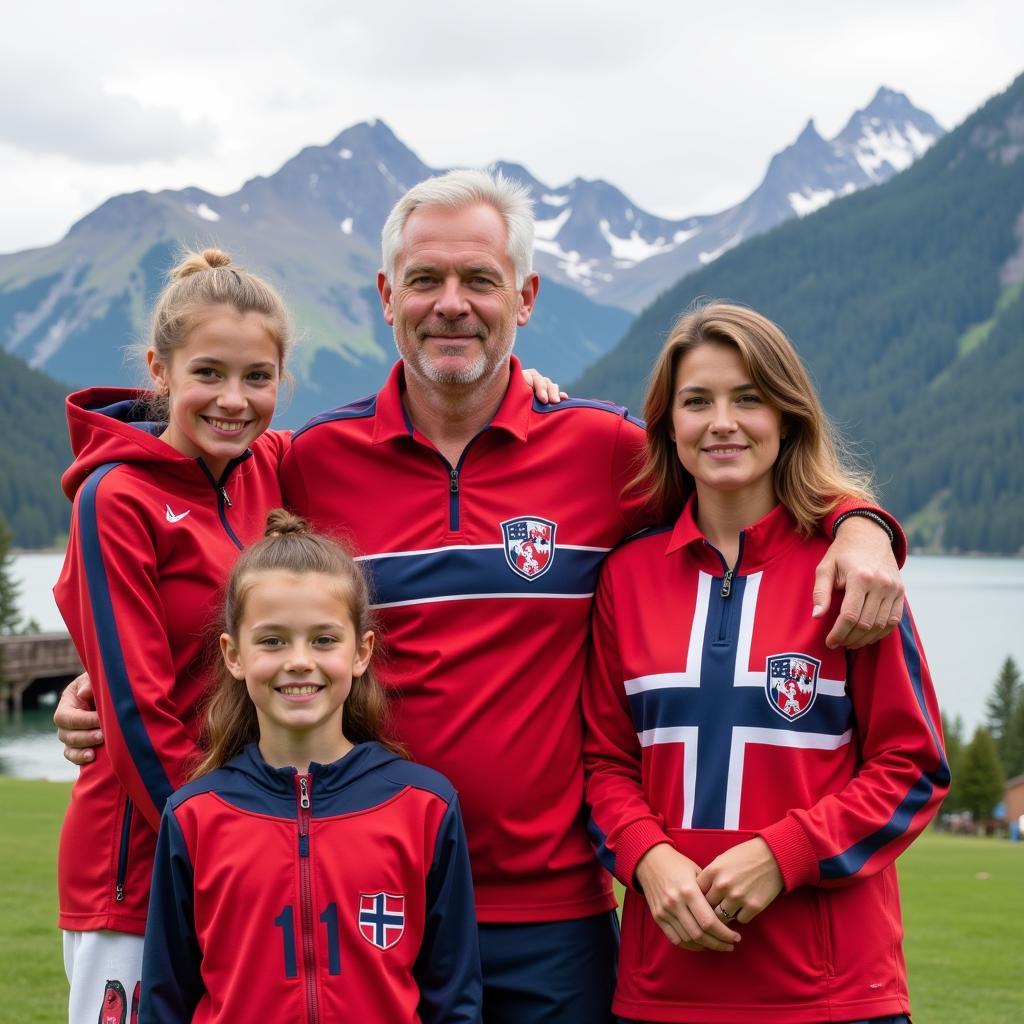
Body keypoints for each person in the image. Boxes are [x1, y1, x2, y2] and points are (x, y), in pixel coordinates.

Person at [57, 170, 907, 1023]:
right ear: (389, 296)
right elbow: (197, 475)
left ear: (526, 297)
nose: (451, 304)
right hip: (374, 897)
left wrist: (862, 522)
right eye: (426, 280)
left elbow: (743, 478)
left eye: (480, 281)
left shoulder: (604, 450)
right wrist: (103, 675)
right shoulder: (309, 461)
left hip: (555, 920)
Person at [582, 303, 949, 1023]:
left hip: (835, 995)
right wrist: (647, 859)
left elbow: (913, 767)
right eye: (698, 402)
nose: (723, 421)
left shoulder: (853, 574)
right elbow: (603, 763)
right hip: (662, 990)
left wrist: (785, 854)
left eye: (748, 398)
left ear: (787, 417)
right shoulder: (625, 579)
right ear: (669, 425)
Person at [53, 249, 292, 1022]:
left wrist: (520, 388)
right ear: (161, 370)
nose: (234, 399)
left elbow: (373, 435)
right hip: (140, 869)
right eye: (208, 374)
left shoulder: (267, 470)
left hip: (242, 846)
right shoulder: (115, 498)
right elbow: (134, 711)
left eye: (258, 377)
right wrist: (219, 846)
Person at [140, 510, 480, 1023]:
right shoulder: (193, 816)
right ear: (233, 655)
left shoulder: (425, 807)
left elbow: (454, 997)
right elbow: (166, 1000)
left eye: (323, 639)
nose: (299, 660)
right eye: (273, 640)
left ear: (362, 651)